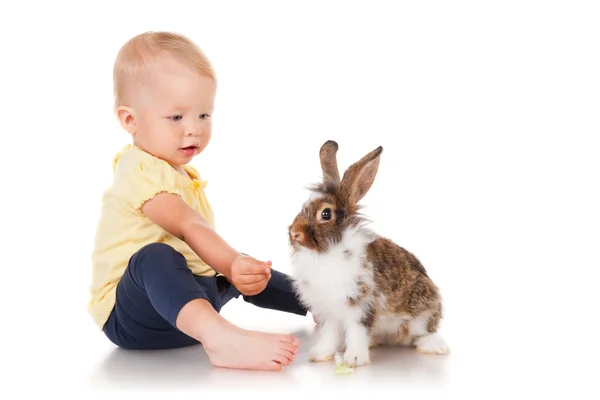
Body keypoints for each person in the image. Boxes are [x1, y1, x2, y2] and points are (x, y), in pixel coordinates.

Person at [88, 31, 313, 371]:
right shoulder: (137, 167)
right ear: (130, 120)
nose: (193, 129)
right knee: (157, 258)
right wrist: (231, 262)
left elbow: (209, 255)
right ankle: (222, 340)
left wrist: (237, 268)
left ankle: (321, 303)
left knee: (241, 266)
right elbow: (188, 225)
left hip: (187, 308)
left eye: (204, 115)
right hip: (134, 315)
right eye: (176, 117)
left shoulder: (181, 175)